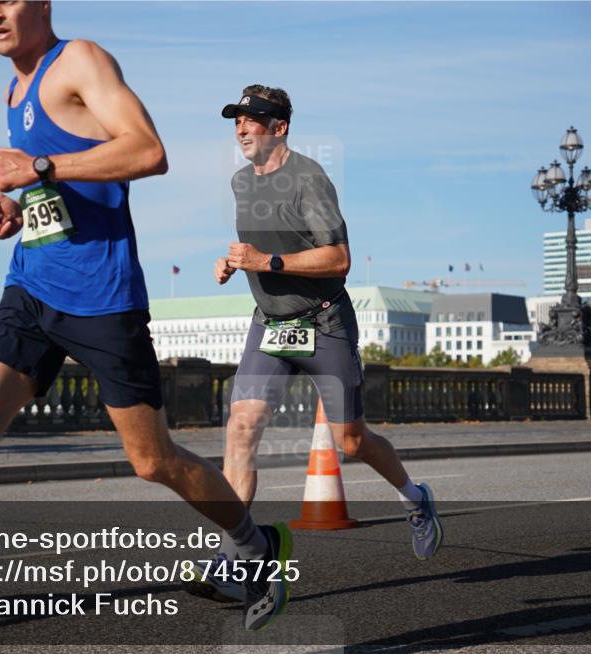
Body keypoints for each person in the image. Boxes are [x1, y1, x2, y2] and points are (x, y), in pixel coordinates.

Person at [0, 5, 289, 654]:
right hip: (30, 288)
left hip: (101, 299)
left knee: (154, 460)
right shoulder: (14, 87)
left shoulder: (81, 61)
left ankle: (253, 543)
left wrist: (38, 171)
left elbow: (148, 151)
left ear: (42, 3)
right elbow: (64, 184)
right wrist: (20, 207)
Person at [186, 86, 443, 603]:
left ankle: (416, 500)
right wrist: (233, 263)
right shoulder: (240, 182)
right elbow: (262, 248)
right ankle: (239, 552)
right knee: (241, 426)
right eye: (236, 119)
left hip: (324, 323)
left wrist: (269, 263)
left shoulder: (310, 179)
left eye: (252, 119)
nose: (241, 128)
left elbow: (339, 258)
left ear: (279, 127)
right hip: (271, 325)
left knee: (351, 441)